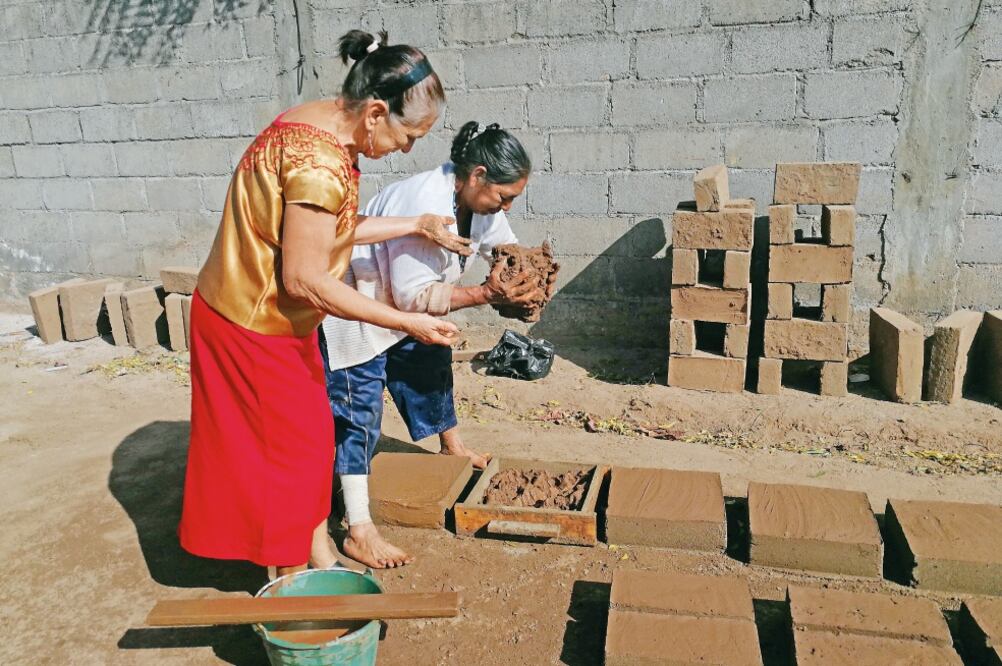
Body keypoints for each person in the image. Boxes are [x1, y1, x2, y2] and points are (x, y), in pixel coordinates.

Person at [178, 30, 470, 579]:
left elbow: (326, 230)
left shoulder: (319, 120)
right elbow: (306, 278)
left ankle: (319, 555)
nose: (409, 149)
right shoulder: (319, 164)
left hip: (270, 318)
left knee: (311, 444)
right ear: (377, 112)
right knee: (282, 463)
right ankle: (290, 585)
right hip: (252, 324)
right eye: (410, 134)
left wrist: (416, 223)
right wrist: (408, 320)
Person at [319, 121, 553, 569]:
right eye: (503, 196)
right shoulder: (425, 202)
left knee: (430, 362)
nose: (504, 206)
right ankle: (358, 528)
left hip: (402, 305)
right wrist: (485, 295)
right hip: (357, 307)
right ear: (478, 174)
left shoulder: (479, 200)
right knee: (359, 414)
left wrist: (527, 272)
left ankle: (452, 445)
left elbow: (502, 247)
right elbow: (414, 298)